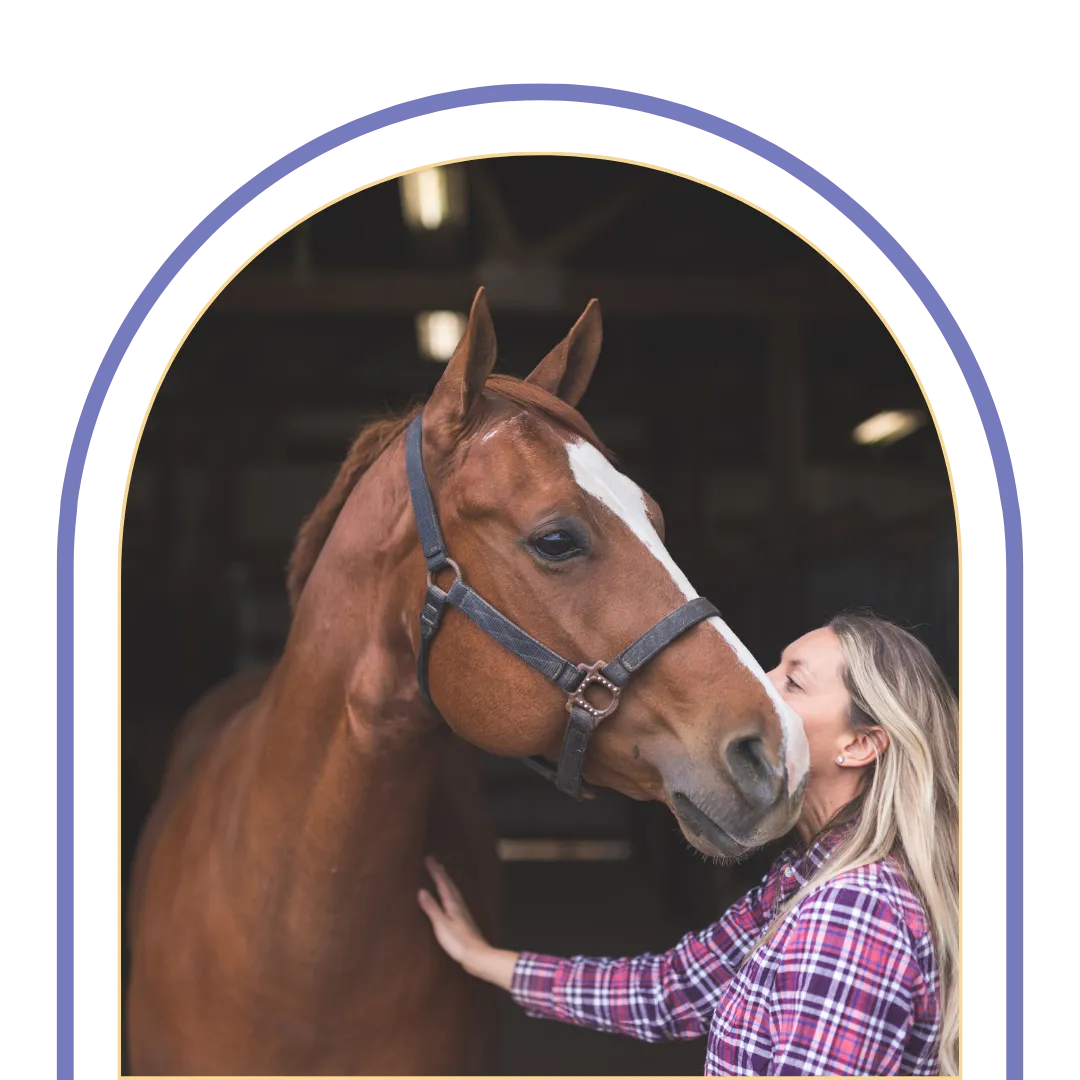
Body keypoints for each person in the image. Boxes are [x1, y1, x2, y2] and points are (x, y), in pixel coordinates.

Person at [417, 612, 960, 1077]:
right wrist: (486, 960)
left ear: (859, 745)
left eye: (793, 682)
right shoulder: (805, 879)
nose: (758, 683)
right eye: (774, 665)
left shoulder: (851, 913)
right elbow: (669, 990)